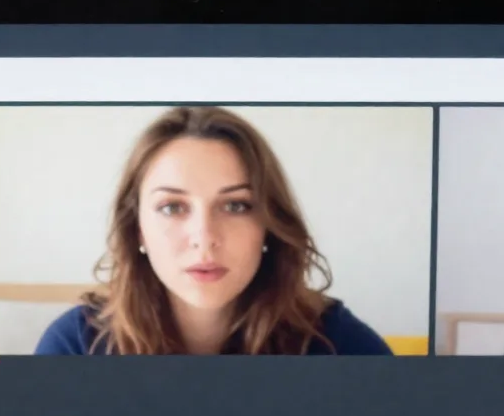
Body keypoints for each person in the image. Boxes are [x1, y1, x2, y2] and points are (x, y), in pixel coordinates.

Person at [34, 106, 393, 356]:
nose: (204, 237)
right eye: (173, 207)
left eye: (236, 206)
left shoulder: (337, 343)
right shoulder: (75, 344)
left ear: (269, 224)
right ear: (137, 230)